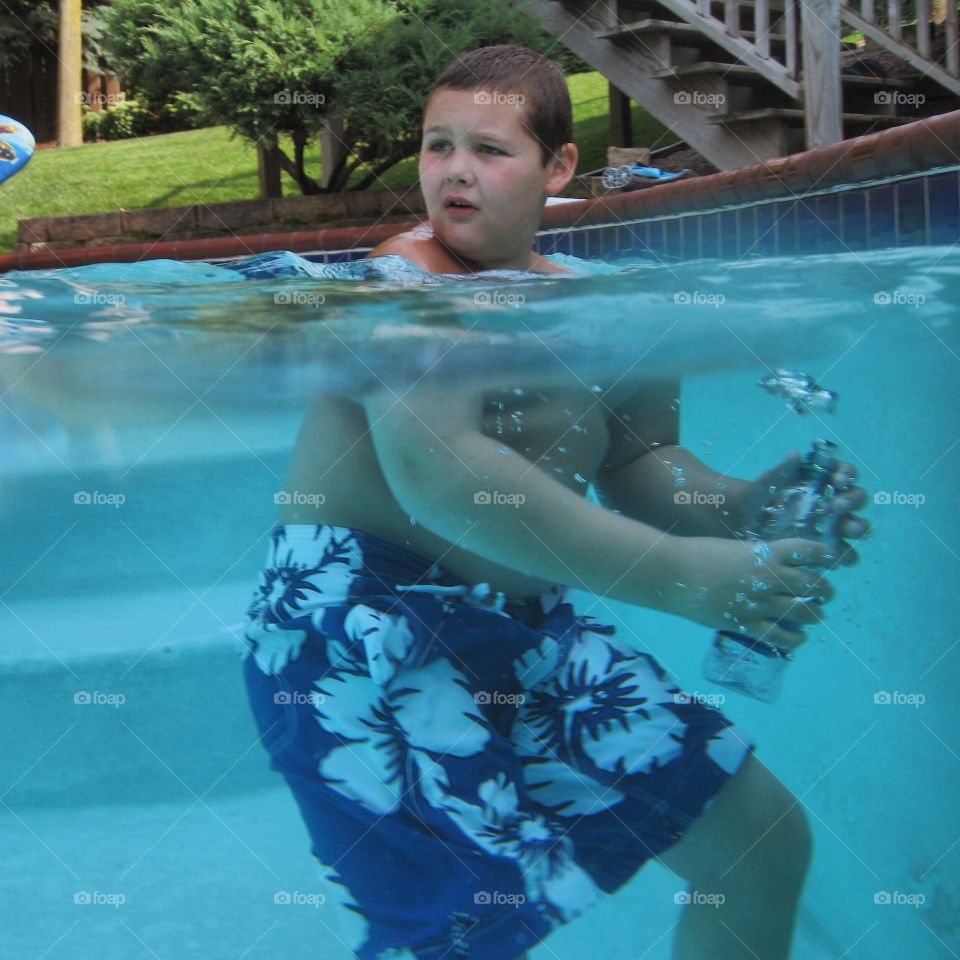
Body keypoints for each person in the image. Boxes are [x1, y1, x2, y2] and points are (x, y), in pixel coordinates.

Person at [241, 45, 869, 960]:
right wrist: (692, 580)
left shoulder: (591, 302)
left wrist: (744, 510)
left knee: (760, 842)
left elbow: (648, 461)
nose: (454, 170)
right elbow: (440, 475)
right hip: (360, 632)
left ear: (557, 166)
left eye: (488, 150)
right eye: (436, 146)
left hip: (524, 626)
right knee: (459, 933)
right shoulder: (405, 283)